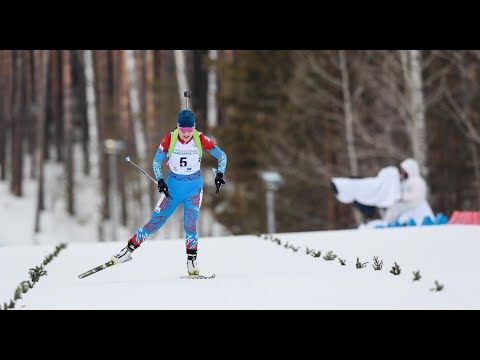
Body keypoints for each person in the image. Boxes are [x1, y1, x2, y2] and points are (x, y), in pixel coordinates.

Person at [111, 108, 228, 275]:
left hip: (194, 188)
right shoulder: (170, 139)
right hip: (172, 188)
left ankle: (191, 263)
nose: (186, 134)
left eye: (190, 130)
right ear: (178, 127)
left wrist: (220, 174)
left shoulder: (200, 138)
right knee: (155, 222)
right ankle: (128, 250)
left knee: (190, 224)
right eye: (183, 130)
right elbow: (156, 162)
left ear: (194, 127)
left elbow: (222, 156)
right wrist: (160, 181)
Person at [383, 158, 434, 225]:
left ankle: (392, 223)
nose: (402, 173)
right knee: (394, 209)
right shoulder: (406, 181)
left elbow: (417, 195)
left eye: (404, 171)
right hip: (407, 205)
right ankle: (389, 223)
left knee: (396, 210)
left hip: (414, 206)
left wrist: (402, 196)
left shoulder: (417, 181)